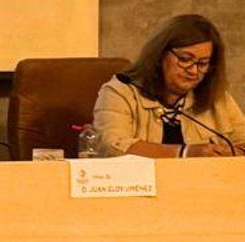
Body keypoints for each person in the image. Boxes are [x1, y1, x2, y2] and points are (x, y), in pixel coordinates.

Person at [92, 14, 245, 158]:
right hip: (142, 185)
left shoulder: (215, 96)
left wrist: (227, 154)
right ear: (160, 54)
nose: (193, 70)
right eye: (185, 59)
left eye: (203, 63)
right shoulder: (120, 91)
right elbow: (111, 146)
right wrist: (184, 153)